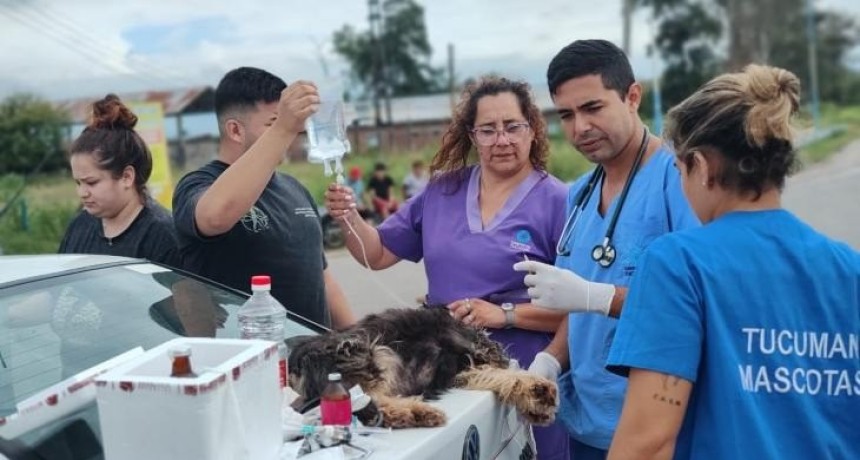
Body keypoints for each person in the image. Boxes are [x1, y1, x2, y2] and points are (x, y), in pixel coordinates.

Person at [605, 65, 860, 459]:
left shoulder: (678, 263)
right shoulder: (849, 268)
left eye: (680, 170)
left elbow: (649, 442)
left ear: (702, 167)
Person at [325, 76, 571, 459]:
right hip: (446, 368)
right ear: (471, 135)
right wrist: (349, 217)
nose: (501, 140)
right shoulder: (443, 190)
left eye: (512, 127)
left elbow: (581, 310)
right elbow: (376, 254)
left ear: (533, 129)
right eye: (487, 130)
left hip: (526, 371)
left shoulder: (560, 201)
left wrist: (505, 314)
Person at [512, 39, 699, 459]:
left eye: (593, 108)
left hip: (657, 429)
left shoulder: (680, 181)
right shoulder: (578, 195)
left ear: (632, 97)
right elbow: (578, 306)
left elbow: (697, 305)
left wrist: (599, 298)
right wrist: (551, 360)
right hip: (587, 424)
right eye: (566, 115)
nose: (579, 128)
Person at [172, 67, 354, 330]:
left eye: (290, 125)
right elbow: (215, 216)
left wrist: (356, 337)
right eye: (273, 124)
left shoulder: (294, 188)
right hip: (249, 361)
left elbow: (322, 279)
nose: (290, 136)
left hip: (312, 360)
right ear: (235, 130)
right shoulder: (197, 185)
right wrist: (283, 127)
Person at [59, 94, 179, 267]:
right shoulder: (79, 226)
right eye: (78, 183)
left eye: (91, 182)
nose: (82, 193)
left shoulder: (163, 236)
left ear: (127, 177)